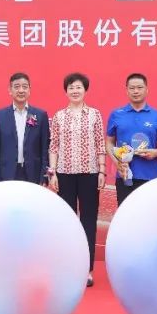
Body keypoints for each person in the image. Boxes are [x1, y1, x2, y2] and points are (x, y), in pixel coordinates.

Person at [48, 72, 106, 287]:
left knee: (88, 221)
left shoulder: (94, 115)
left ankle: (87, 269)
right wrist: (53, 173)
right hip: (64, 174)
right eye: (71, 87)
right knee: (67, 222)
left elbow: (100, 144)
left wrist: (102, 172)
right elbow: (54, 146)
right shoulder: (59, 116)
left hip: (90, 173)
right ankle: (68, 267)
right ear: (66, 91)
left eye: (78, 87)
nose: (75, 91)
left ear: (85, 90)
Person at [106, 73, 157, 206]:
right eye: (132, 88)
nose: (136, 91)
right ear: (126, 90)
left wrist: (155, 152)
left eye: (139, 87)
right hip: (124, 175)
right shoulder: (116, 114)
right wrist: (117, 163)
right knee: (126, 213)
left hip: (150, 175)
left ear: (147, 90)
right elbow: (109, 142)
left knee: (150, 213)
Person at [0, 72, 50, 184]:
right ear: (10, 90)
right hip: (6, 174)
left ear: (29, 90)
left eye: (24, 87)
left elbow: (45, 149)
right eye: (17, 87)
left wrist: (43, 177)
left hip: (33, 174)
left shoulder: (40, 115)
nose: (21, 90)